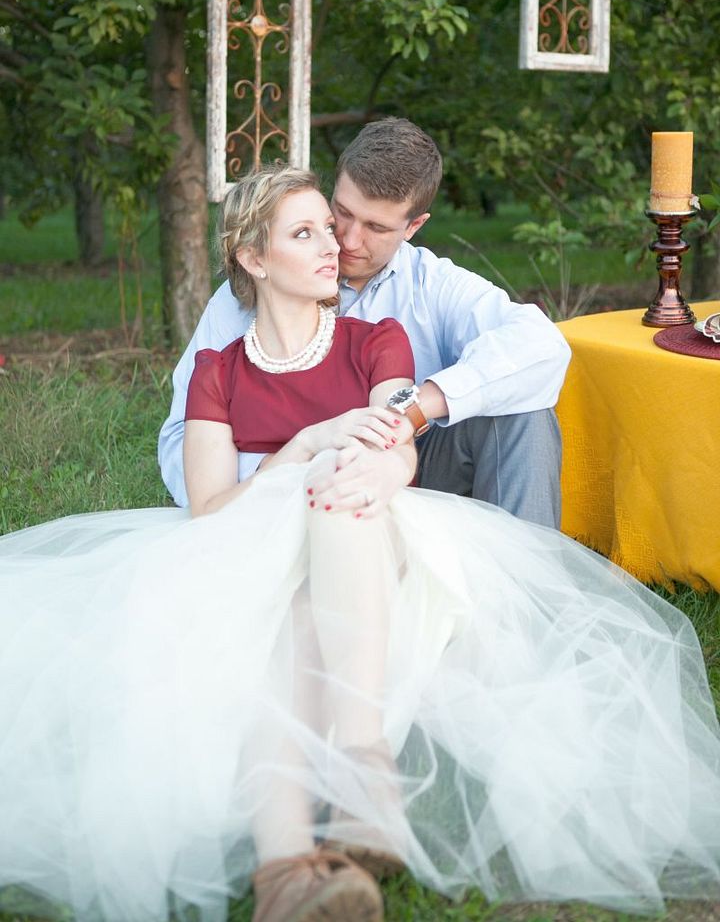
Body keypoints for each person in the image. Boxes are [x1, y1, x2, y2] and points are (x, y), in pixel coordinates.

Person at [1, 166, 720, 922]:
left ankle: (352, 780)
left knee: (341, 494)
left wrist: (372, 460)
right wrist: (309, 441)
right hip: (258, 539)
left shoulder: (377, 340)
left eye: (329, 227)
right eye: (306, 232)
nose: (333, 246)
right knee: (288, 621)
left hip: (371, 522)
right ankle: (298, 865)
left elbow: (392, 436)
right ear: (252, 257)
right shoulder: (217, 369)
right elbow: (212, 507)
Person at [159, 117, 571, 527]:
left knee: (524, 413)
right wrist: (298, 463)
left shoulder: (432, 286)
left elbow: (542, 346)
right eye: (342, 213)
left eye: (376, 227)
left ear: (414, 226)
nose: (347, 241)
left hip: (410, 464)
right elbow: (181, 442)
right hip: (280, 483)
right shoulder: (242, 297)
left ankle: (523, 581)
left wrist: (416, 408)